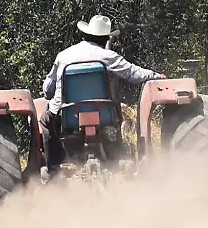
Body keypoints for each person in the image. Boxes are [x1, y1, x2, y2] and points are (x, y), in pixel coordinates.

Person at [40, 14, 166, 173]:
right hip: (103, 116)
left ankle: (54, 169)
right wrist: (154, 75)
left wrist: (50, 94)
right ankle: (113, 162)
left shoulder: (63, 56)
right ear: (106, 39)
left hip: (66, 117)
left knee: (45, 121)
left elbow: (47, 90)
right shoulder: (109, 57)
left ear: (85, 34)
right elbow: (134, 74)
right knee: (116, 120)